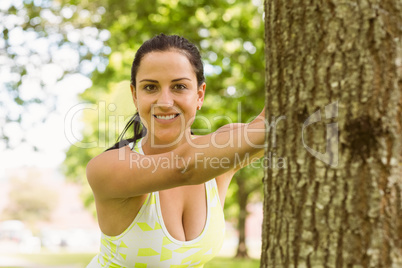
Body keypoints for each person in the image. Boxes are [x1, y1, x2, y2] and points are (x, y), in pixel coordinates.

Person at [86, 33, 266, 268]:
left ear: (199, 95)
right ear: (135, 96)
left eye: (179, 86)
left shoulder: (222, 151)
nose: (165, 101)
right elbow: (184, 166)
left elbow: (272, 125)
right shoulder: (108, 167)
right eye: (150, 87)